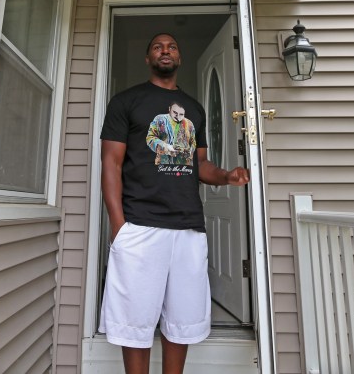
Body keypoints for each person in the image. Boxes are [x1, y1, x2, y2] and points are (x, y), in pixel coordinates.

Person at [98, 32, 250, 374]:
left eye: (172, 47)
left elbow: (201, 165)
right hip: (139, 225)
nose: (165, 51)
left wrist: (226, 176)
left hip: (187, 228)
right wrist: (118, 224)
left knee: (181, 319)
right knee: (134, 320)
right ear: (149, 58)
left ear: (179, 58)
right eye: (157, 47)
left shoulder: (195, 110)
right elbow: (111, 163)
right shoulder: (127, 102)